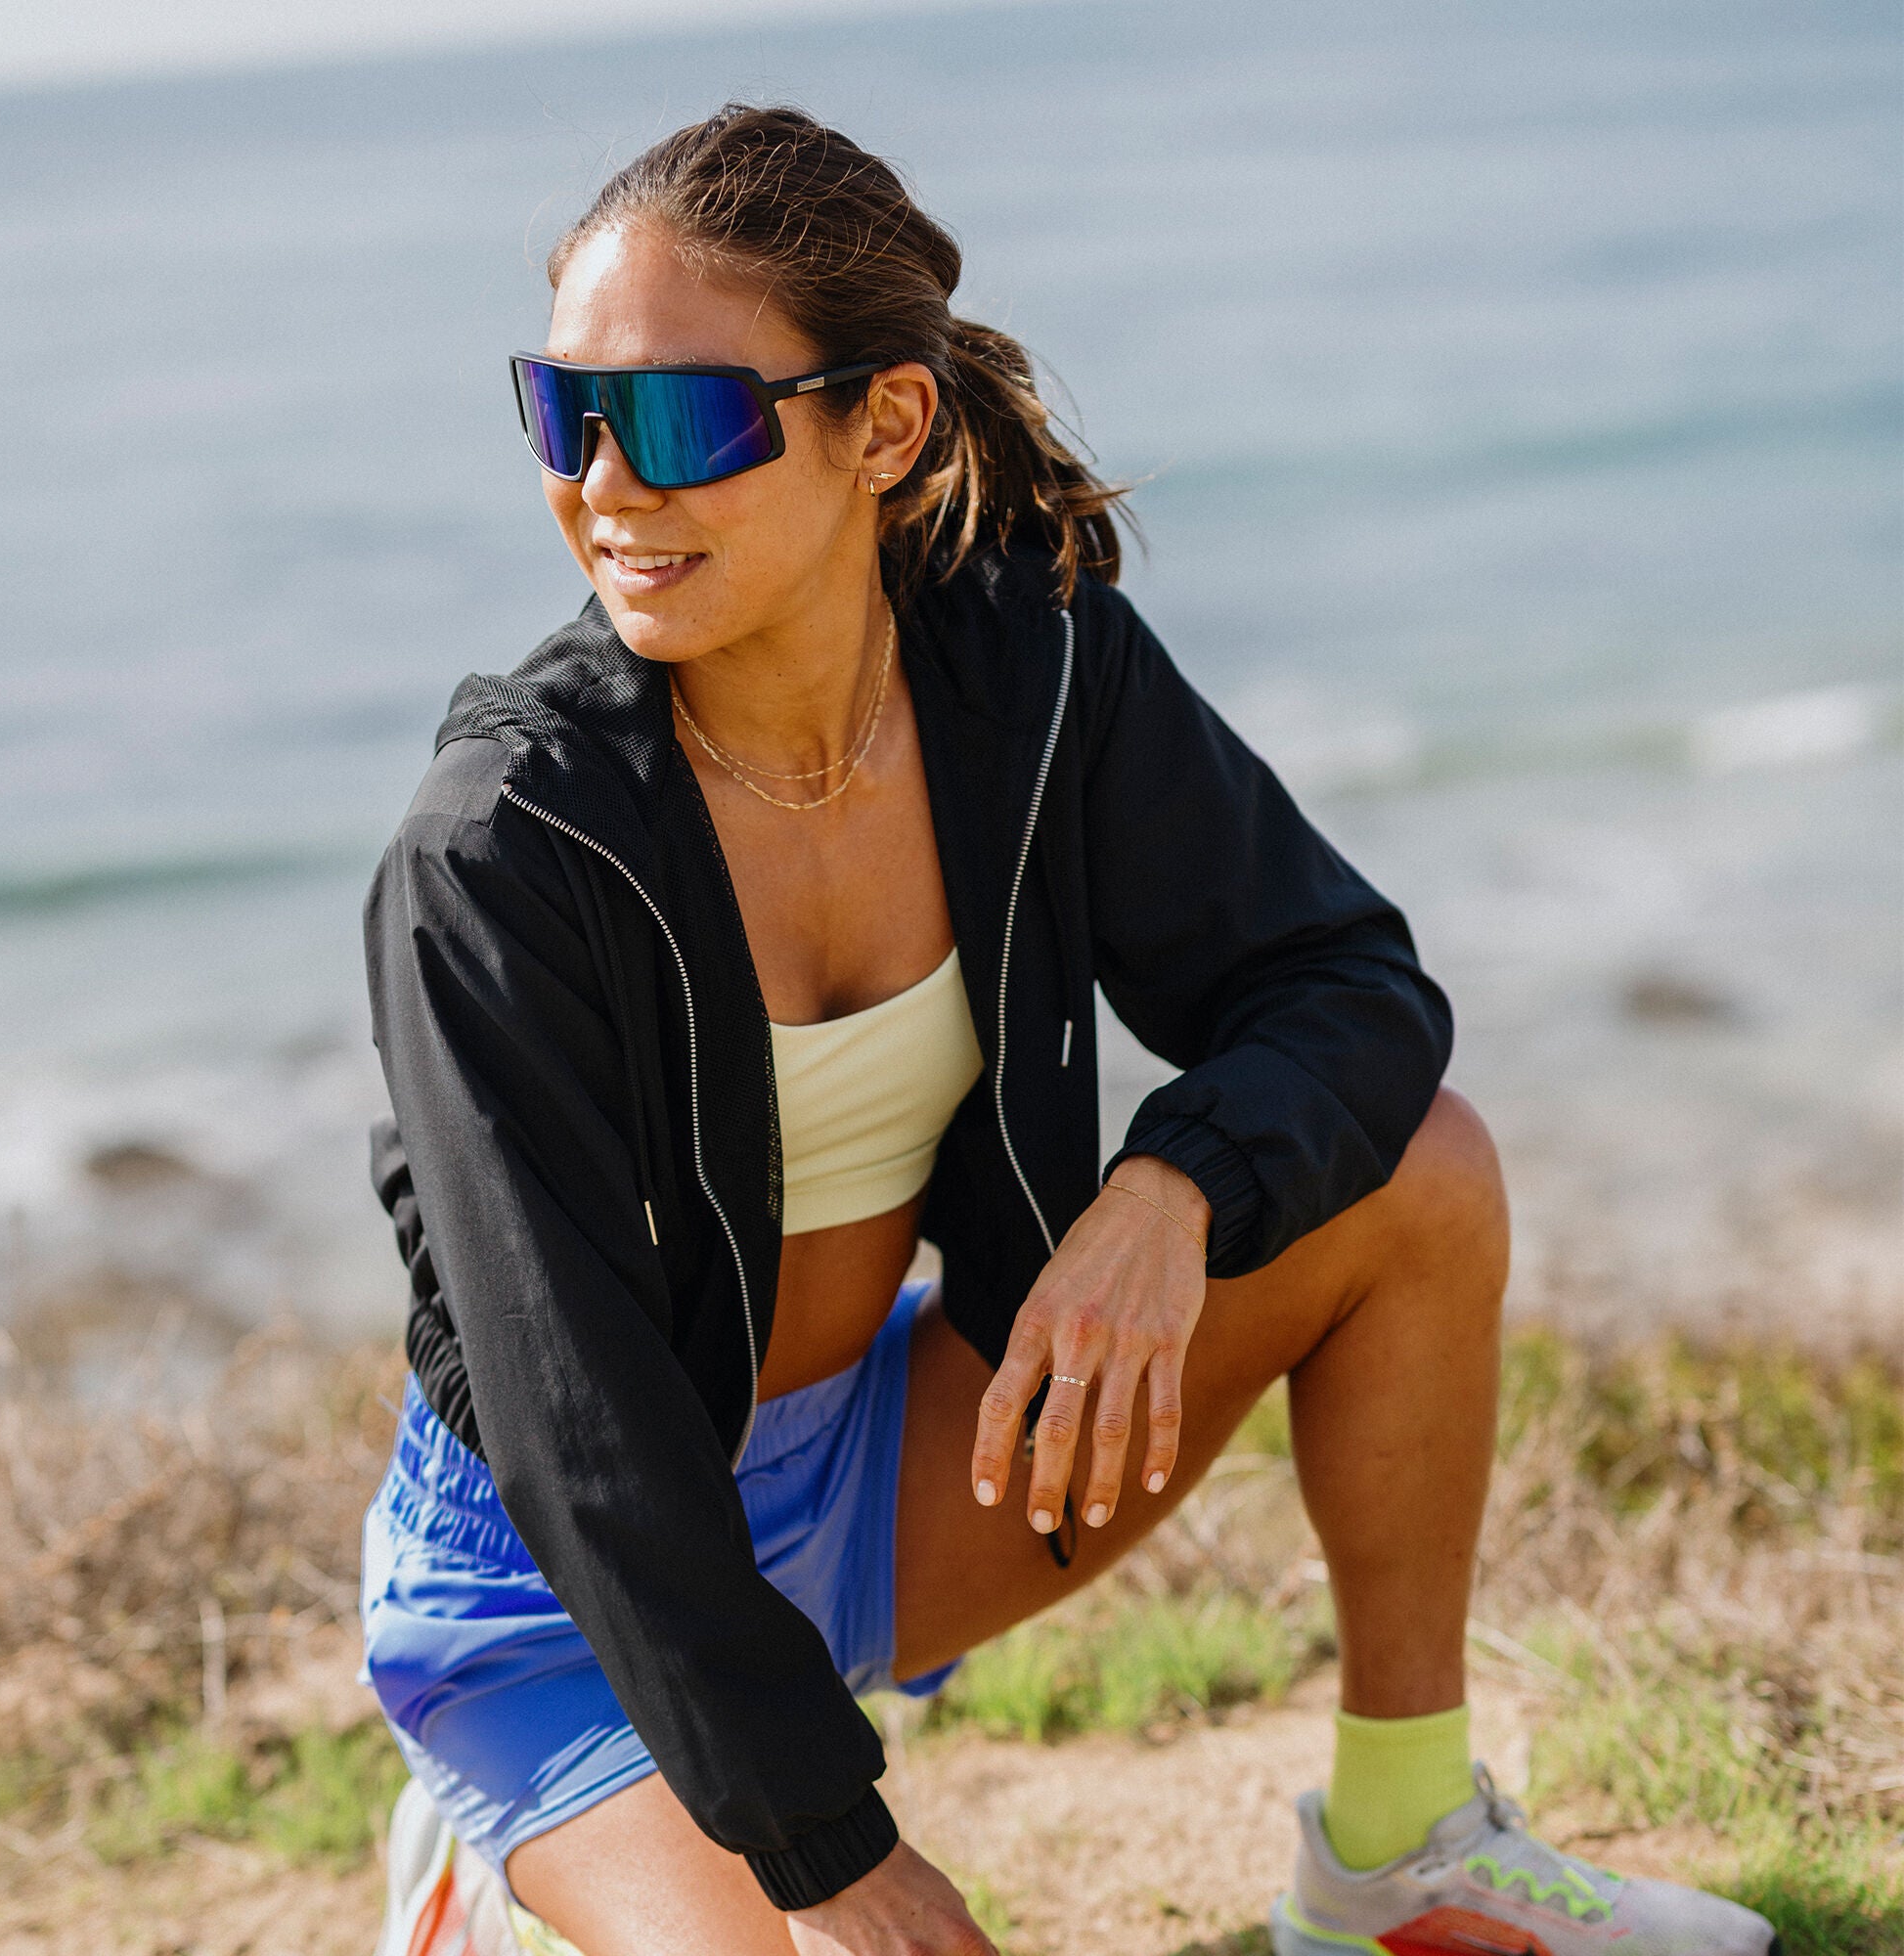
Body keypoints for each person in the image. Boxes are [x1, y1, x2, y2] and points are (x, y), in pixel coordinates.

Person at [358, 104, 1779, 1956]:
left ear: (885, 425)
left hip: (884, 1474)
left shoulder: (1029, 671)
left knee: (1417, 1176)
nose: (608, 486)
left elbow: (1349, 985)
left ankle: (1400, 1850)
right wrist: (832, 1850)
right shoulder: (503, 848)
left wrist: (1172, 1192)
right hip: (561, 1592)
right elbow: (580, 1432)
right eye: (568, 414)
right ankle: (503, 1868)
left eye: (687, 420)